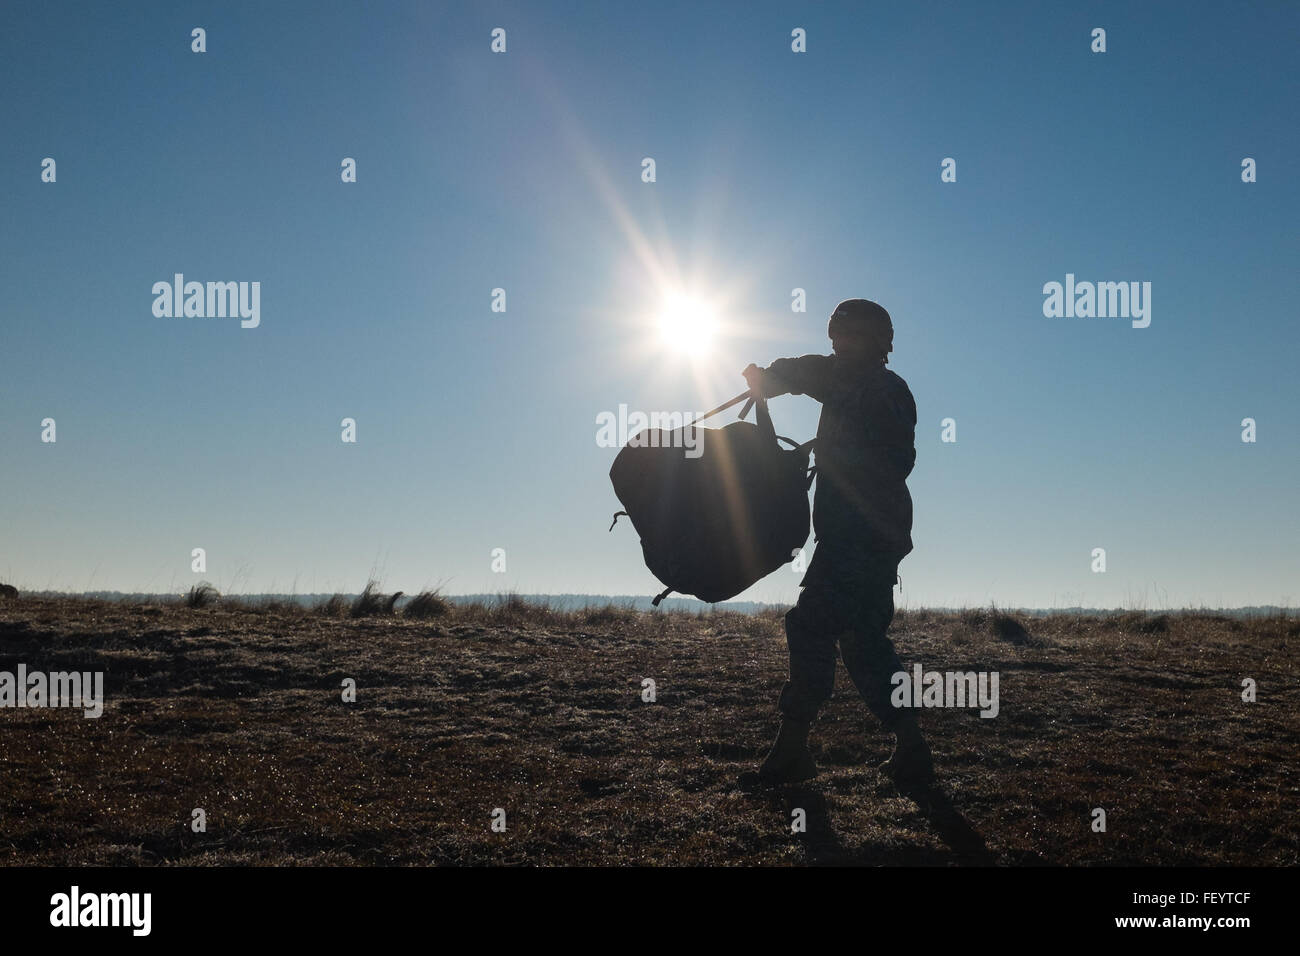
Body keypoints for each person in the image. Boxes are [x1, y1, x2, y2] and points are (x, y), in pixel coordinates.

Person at [742, 299, 934, 790]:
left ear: (873, 341)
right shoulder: (880, 388)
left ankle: (792, 752)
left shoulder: (866, 383)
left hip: (855, 538)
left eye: (845, 335)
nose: (836, 344)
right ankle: (911, 748)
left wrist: (769, 376)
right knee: (865, 642)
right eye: (835, 335)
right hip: (876, 538)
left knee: (809, 627)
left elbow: (813, 374)